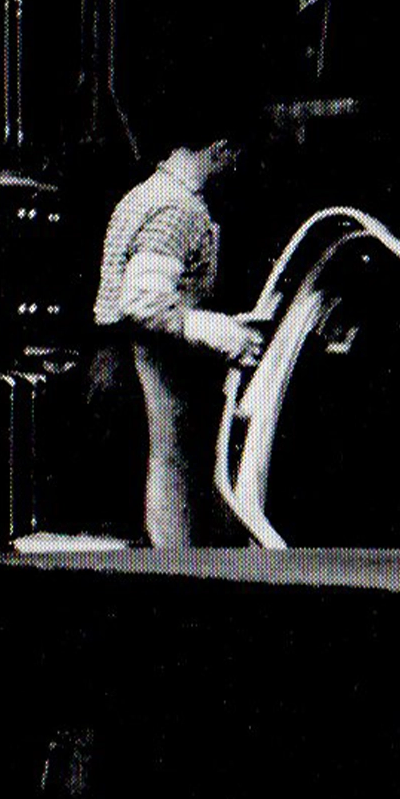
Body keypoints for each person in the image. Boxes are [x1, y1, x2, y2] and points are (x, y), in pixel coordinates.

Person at [91, 98, 266, 548]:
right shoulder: (179, 210)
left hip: (115, 366)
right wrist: (215, 332)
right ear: (223, 149)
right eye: (239, 155)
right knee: (165, 488)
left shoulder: (145, 195)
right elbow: (143, 300)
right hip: (143, 370)